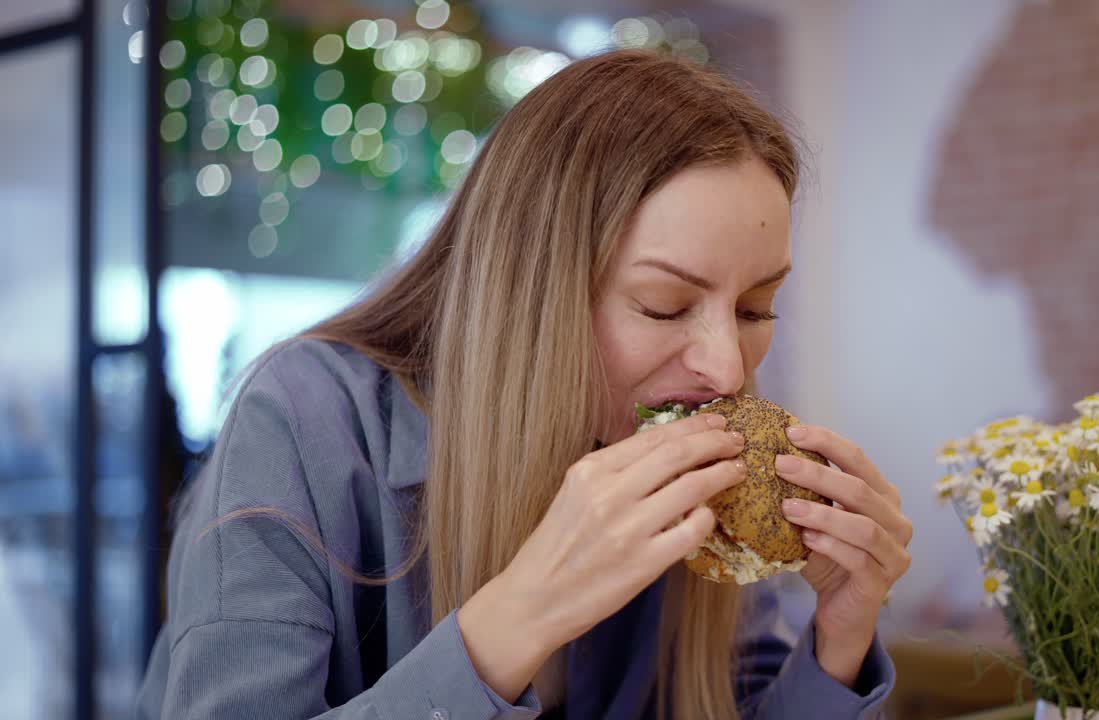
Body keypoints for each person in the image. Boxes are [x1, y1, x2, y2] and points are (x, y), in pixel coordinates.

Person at [134, 48, 912, 720]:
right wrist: (520, 617)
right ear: (529, 290)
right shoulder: (305, 421)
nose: (728, 368)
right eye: (663, 305)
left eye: (754, 307)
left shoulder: (705, 506)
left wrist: (839, 638)